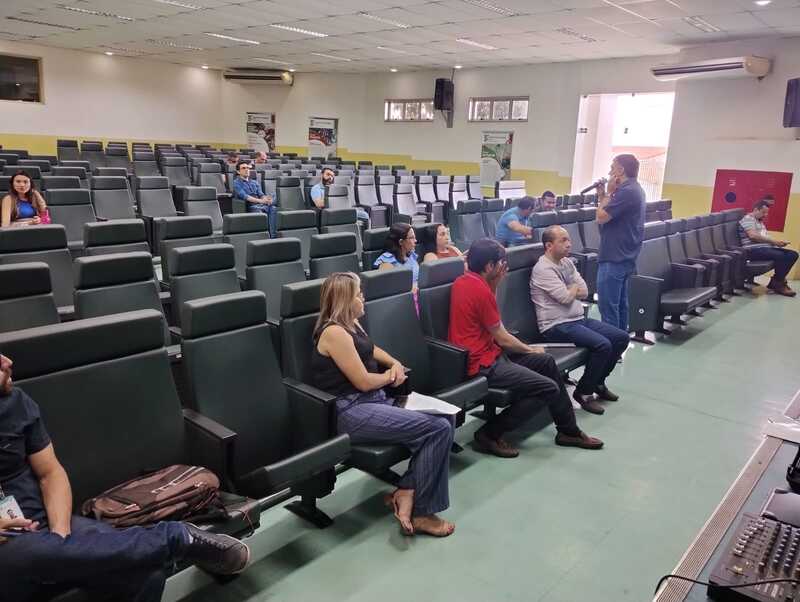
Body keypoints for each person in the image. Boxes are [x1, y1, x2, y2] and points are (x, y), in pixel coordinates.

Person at [0, 353, 250, 602]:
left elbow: (50, 473)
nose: (8, 362)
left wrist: (59, 537)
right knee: (29, 554)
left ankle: (176, 539)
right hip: (9, 545)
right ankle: (175, 537)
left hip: (43, 522)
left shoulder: (16, 403)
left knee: (145, 573)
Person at [312, 273, 455, 537]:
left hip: (373, 401)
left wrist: (394, 362)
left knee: (447, 418)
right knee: (438, 428)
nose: (363, 298)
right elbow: (363, 381)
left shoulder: (352, 323)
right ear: (345, 300)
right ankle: (422, 513)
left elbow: (372, 349)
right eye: (358, 294)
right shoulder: (334, 332)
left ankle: (406, 489)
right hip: (352, 411)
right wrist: (390, 376)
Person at [448, 238, 604, 458]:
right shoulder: (478, 290)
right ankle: (489, 434)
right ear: (489, 266)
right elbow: (503, 337)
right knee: (548, 388)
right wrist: (530, 350)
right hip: (482, 364)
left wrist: (495, 284)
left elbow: (490, 320)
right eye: (500, 263)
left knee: (546, 362)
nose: (504, 267)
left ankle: (568, 431)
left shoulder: (466, 280)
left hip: (491, 353)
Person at [532, 226, 629, 411]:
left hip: (577, 320)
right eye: (563, 240)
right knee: (602, 345)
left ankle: (598, 382)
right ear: (549, 245)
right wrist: (573, 288)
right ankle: (584, 392)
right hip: (556, 326)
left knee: (621, 337)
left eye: (569, 239)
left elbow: (584, 291)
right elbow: (565, 297)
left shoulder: (567, 263)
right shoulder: (542, 269)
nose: (569, 244)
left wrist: (572, 289)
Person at [595, 154, 646, 331]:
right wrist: (602, 195)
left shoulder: (627, 191)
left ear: (621, 170)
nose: (610, 172)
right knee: (621, 306)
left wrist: (609, 193)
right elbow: (611, 214)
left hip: (614, 258)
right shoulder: (635, 189)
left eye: (612, 168)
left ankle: (611, 346)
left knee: (608, 308)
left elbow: (601, 217)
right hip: (624, 256)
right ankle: (620, 342)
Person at [739, 199, 798, 297]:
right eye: (763, 212)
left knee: (793, 254)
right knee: (782, 256)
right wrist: (774, 242)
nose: (765, 215)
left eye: (767, 213)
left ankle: (777, 281)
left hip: (764, 248)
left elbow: (764, 236)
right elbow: (753, 236)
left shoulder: (759, 221)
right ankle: (779, 283)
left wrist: (777, 243)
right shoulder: (748, 219)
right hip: (753, 250)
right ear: (756, 210)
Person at [232, 160, 277, 237]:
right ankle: (264, 236)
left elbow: (261, 194)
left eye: (248, 168)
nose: (247, 170)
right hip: (251, 206)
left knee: (273, 207)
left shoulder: (254, 182)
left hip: (261, 204)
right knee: (262, 209)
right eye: (243, 168)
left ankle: (273, 236)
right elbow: (246, 197)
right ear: (238, 172)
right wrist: (262, 201)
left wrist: (266, 199)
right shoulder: (236, 183)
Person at [374, 223, 419, 291]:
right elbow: (389, 289)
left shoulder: (411, 255)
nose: (415, 241)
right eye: (411, 238)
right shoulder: (386, 261)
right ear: (401, 242)